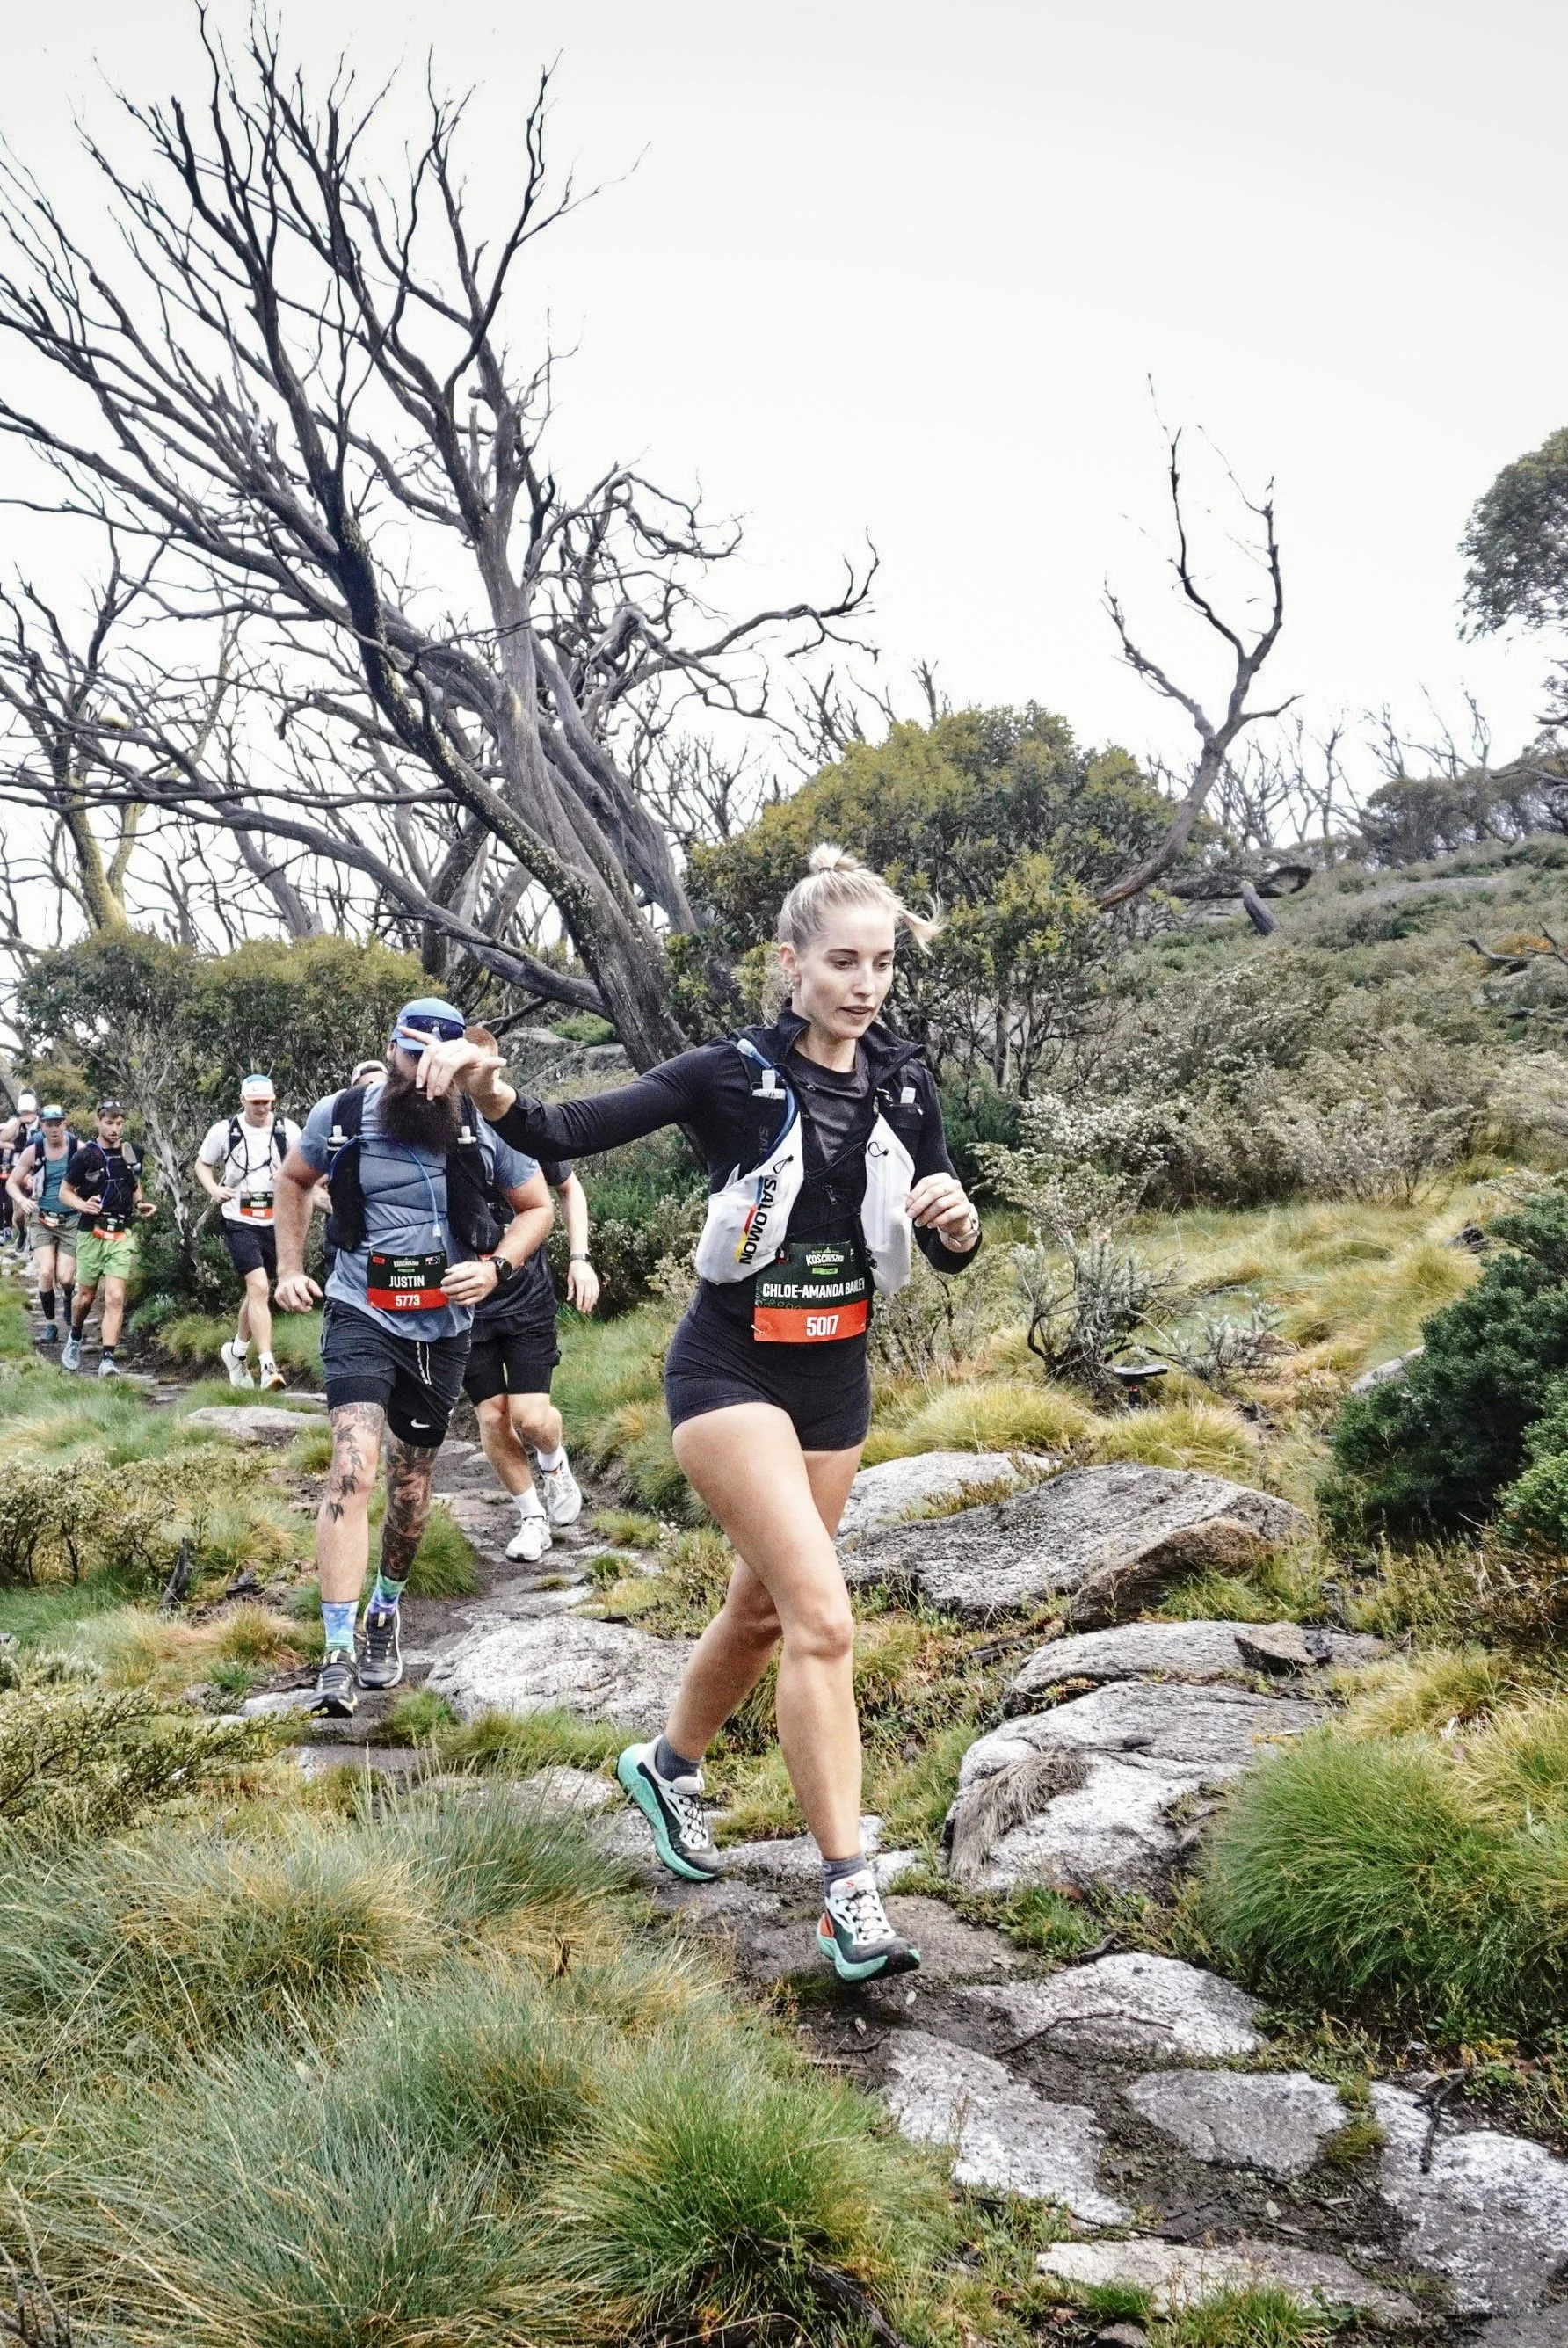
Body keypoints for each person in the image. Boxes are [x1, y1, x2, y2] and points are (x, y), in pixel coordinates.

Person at [417, 847, 983, 1982]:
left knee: (767, 1612)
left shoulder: (907, 1079)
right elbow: (564, 1133)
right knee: (824, 1615)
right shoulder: (731, 1073)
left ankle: (667, 1767)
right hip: (728, 1370)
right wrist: (493, 1090)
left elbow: (948, 1228)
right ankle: (847, 1891)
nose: (866, 984)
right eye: (841, 962)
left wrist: (959, 1221)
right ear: (790, 965)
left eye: (880, 963)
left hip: (838, 1380)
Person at [272, 997, 553, 1718]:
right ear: (392, 1049)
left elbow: (537, 1208)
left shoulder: (482, 1124)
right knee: (353, 1465)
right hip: (361, 1310)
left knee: (409, 1484)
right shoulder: (339, 1114)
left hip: (445, 1325)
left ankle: (384, 1611)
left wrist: (495, 1269)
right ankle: (335, 1651)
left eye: (441, 1062)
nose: (424, 1074)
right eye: (411, 1057)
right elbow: (294, 1180)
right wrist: (288, 1266)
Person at [462, 1157, 596, 1560]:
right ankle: (532, 1519)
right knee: (491, 1416)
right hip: (465, 1307)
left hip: (527, 1304)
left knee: (532, 1419)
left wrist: (580, 1258)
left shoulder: (516, 1133)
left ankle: (554, 1465)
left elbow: (569, 1188)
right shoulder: (432, 1134)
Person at [195, 1075, 303, 1392]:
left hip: (276, 1221)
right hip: (239, 1220)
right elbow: (203, 1164)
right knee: (258, 1286)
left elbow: (304, 1170)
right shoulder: (224, 1131)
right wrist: (215, 1189)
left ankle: (237, 1351)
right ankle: (268, 1365)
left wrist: (286, 1178)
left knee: (258, 1292)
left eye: (267, 1102)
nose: (262, 1108)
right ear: (242, 1100)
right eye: (255, 1102)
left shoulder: (288, 1130)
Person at [60, 1101, 157, 1376]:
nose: (114, 1129)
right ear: (98, 1122)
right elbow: (64, 1192)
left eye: (119, 1123)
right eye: (109, 1123)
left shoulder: (132, 1152)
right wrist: (82, 1205)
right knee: (86, 1298)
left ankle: (107, 1360)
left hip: (121, 1234)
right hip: (91, 1233)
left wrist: (140, 1204)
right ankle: (75, 1335)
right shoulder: (85, 1156)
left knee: (115, 1297)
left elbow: (135, 1185)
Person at [6, 1105, 79, 1345]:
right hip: (42, 1218)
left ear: (64, 1124)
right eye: (49, 1124)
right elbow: (12, 1183)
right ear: (43, 1126)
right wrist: (21, 1200)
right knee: (46, 1271)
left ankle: (68, 1297)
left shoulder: (78, 1148)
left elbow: (99, 1172)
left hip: (70, 1218)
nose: (54, 1128)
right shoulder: (33, 1150)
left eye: (58, 1123)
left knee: (66, 1278)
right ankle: (50, 1324)